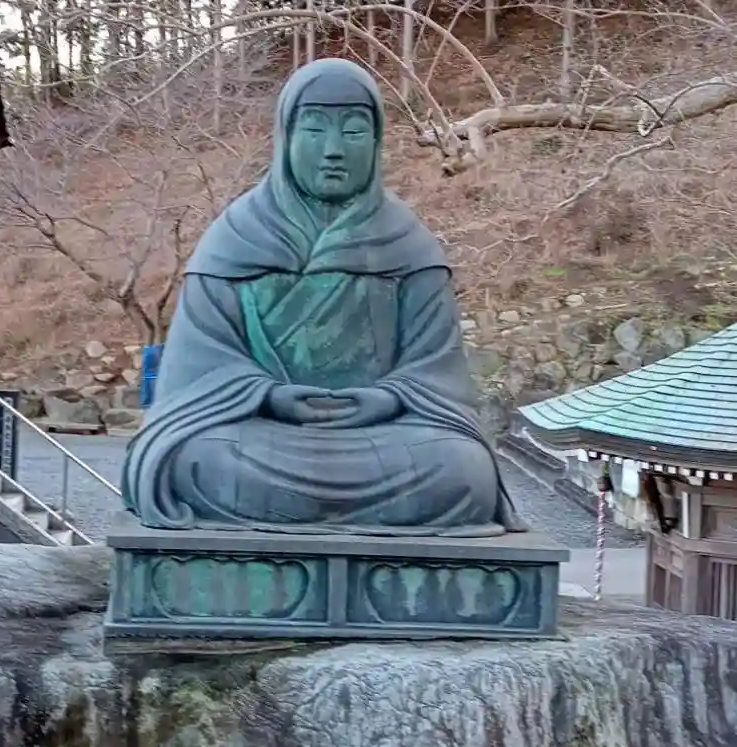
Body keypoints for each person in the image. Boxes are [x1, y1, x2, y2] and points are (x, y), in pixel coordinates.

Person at [123, 58, 520, 531]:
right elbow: (197, 373)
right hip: (262, 432)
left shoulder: (408, 245)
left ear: (376, 141)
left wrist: (388, 399)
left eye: (353, 132)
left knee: (464, 471)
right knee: (194, 460)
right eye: (314, 130)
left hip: (381, 436)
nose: (334, 150)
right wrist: (269, 396)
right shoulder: (233, 240)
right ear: (285, 137)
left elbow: (436, 372)